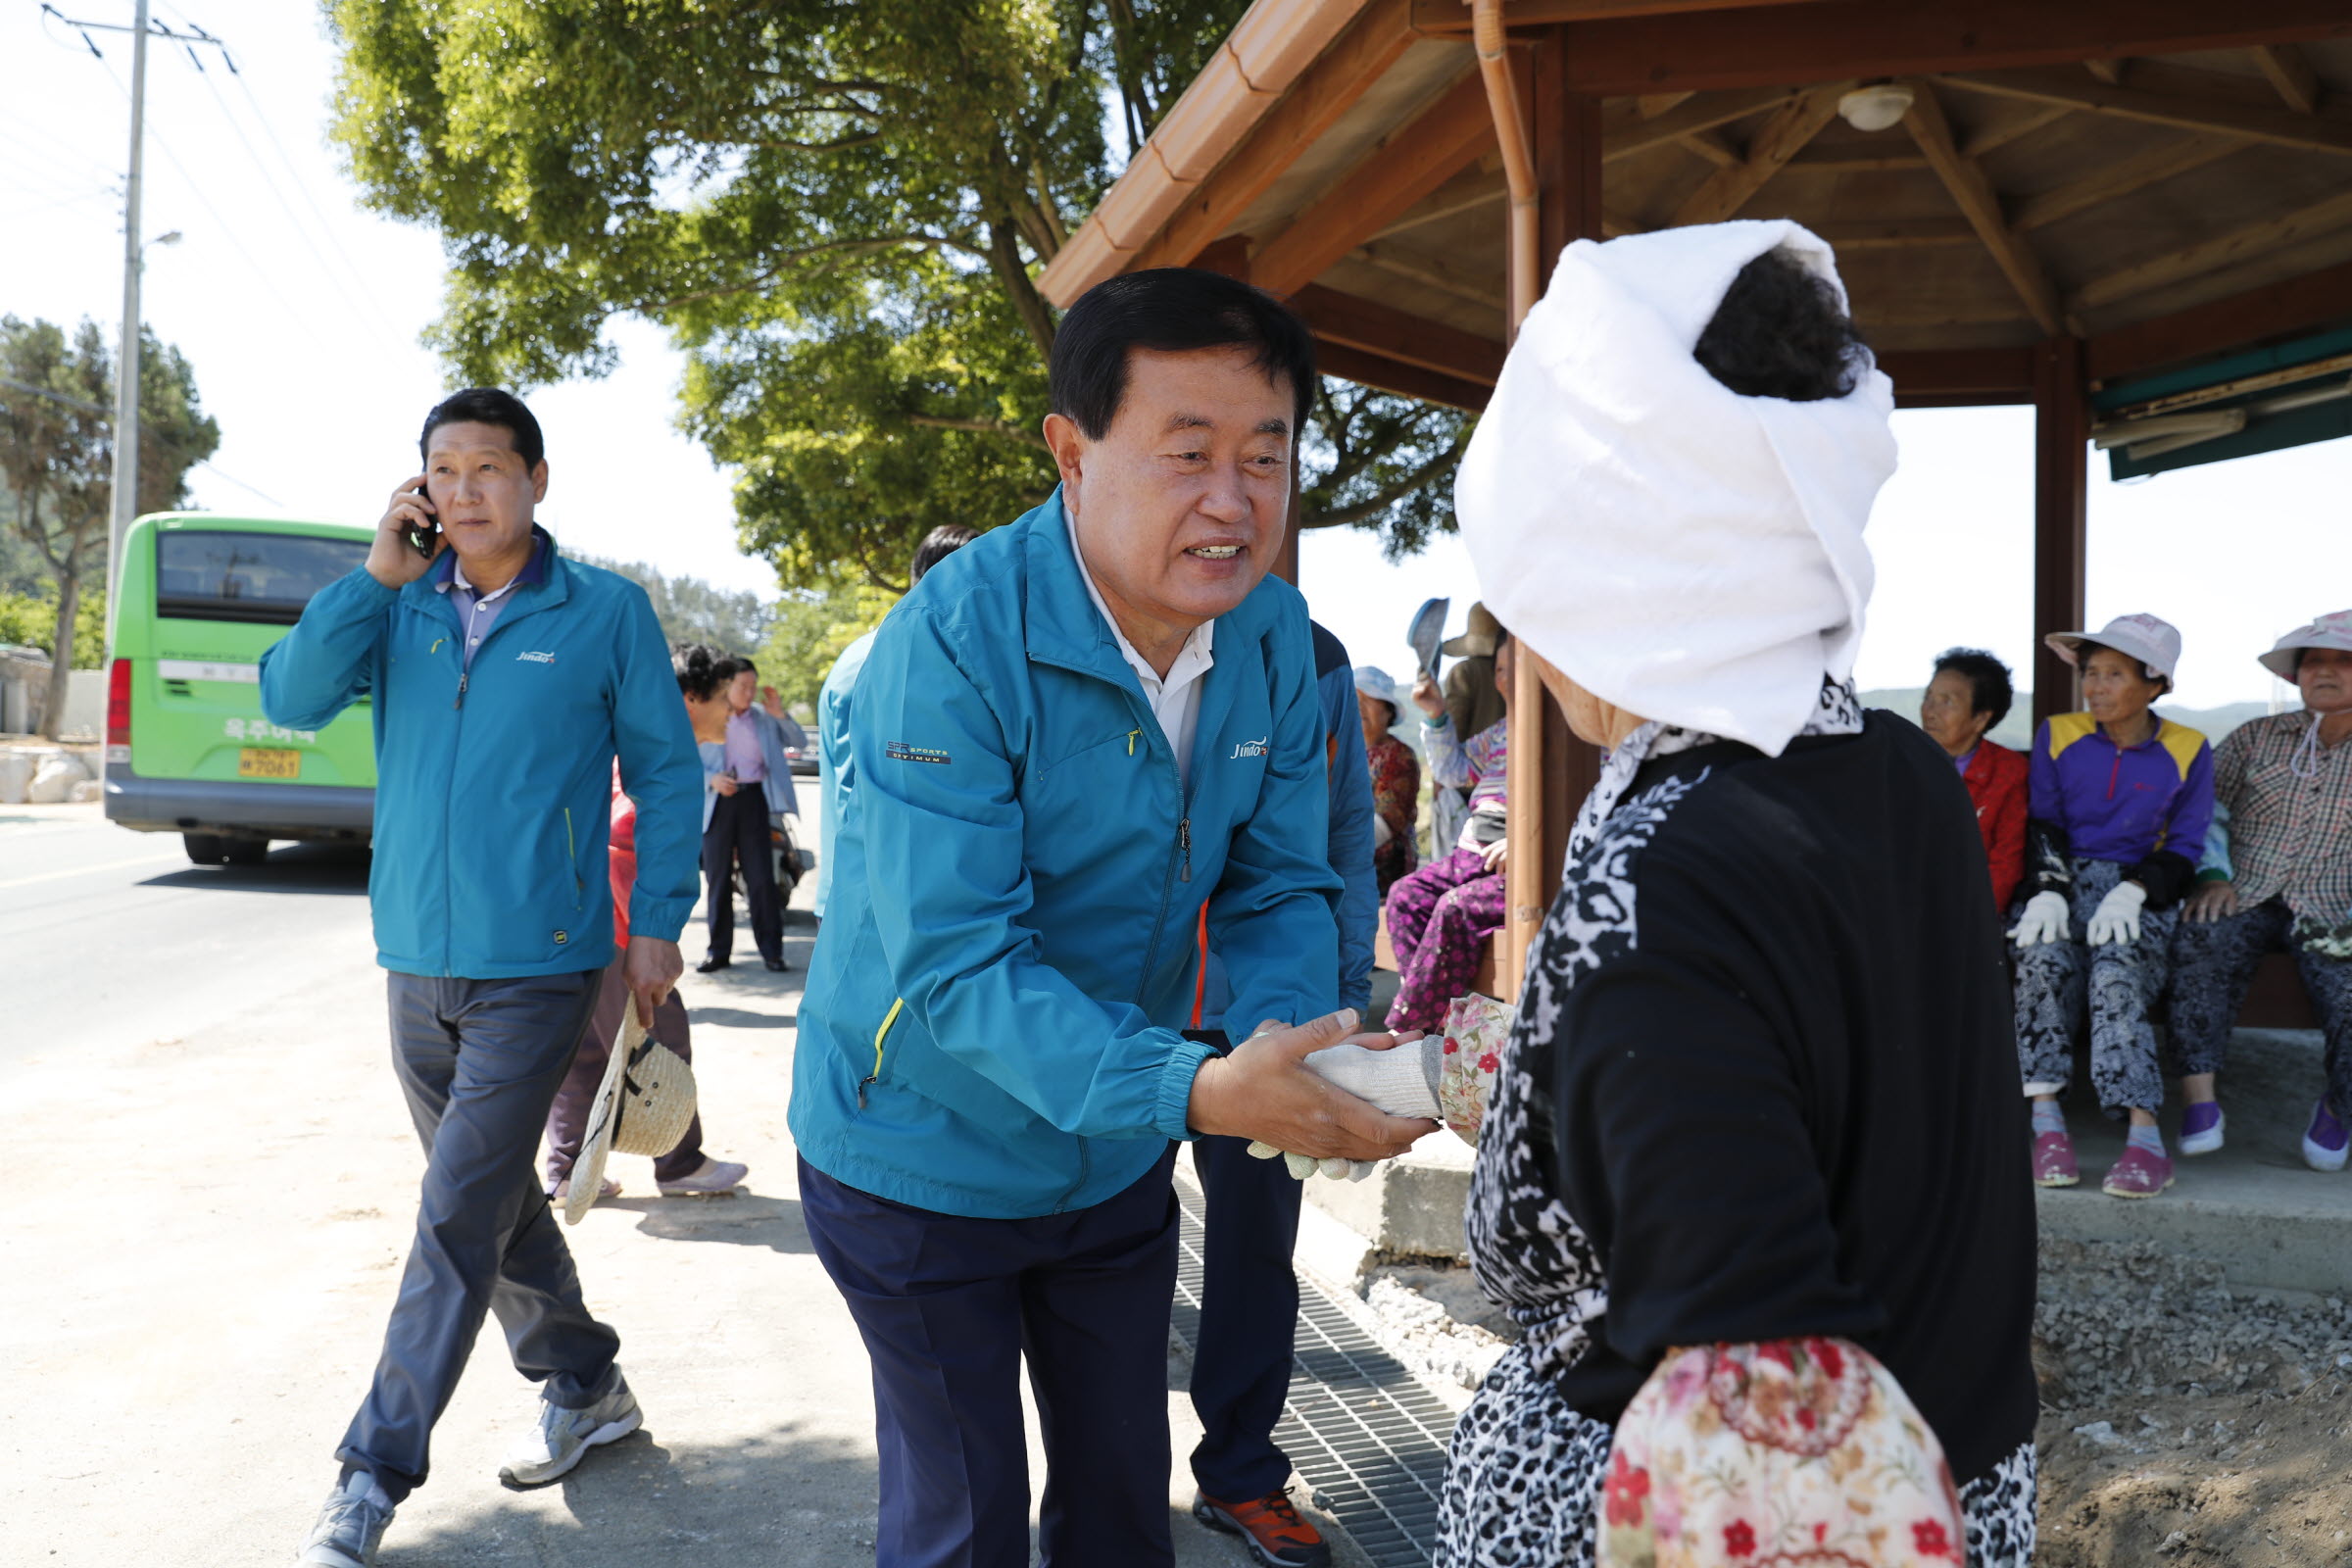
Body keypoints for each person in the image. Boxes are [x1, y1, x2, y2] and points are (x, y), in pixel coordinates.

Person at [787, 267, 1433, 1568]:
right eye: (1187, 454)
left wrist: (1288, 1047)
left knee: (1123, 1519)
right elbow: (962, 966)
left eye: (1266, 457)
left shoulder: (1270, 633)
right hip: (919, 1154)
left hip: (1113, 1156)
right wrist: (1197, 1091)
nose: (1233, 501)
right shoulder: (947, 645)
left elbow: (1279, 880)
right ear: (1072, 454)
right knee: (965, 1532)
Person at [1439, 225, 2038, 1567]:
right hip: (1958, 1472)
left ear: (1591, 570)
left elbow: (1768, 1428)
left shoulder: (1653, 884)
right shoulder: (1901, 771)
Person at [261, 388, 701, 1568]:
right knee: (493, 1202)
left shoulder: (602, 610)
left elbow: (667, 771)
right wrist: (372, 576)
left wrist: (658, 922)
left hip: (541, 962)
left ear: (537, 480)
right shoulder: (395, 605)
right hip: (414, 959)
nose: (465, 491)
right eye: (443, 470)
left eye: (489, 468)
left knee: (455, 1215)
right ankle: (589, 1383)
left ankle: (371, 1474)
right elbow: (289, 698)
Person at [1183, 618, 1376, 1568]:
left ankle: (1239, 1468)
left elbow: (1342, 834)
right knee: (1103, 1250)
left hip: (1264, 1013)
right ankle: (1100, 1481)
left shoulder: (1315, 660)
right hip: (1116, 1009)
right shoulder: (1102, 624)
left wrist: (1340, 1001)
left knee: (1255, 1250)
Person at [2013, 613, 2214, 1200]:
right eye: (2091, 672)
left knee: (2116, 975)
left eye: (2113, 674)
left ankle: (2145, 1136)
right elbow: (2043, 820)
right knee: (2040, 961)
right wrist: (2047, 887)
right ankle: (2047, 1123)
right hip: (2060, 881)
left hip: (2139, 890)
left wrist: (2136, 889)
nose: (2095, 687)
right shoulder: (2059, 733)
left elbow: (2186, 844)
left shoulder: (2189, 748)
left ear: (2155, 684)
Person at [544, 643, 752, 1203]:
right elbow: (620, 834)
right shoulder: (659, 756)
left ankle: (568, 1169)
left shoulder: (628, 741)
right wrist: (642, 935)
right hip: (615, 931)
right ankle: (679, 1163)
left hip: (576, 925)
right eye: (725, 698)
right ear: (691, 698)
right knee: (662, 1038)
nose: (733, 710)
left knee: (587, 1051)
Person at [2169, 612, 2352, 1172]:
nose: (2325, 671)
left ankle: (2338, 1106)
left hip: (2334, 905)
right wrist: (2212, 874)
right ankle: (2200, 1101)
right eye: (2313, 662)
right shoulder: (2256, 736)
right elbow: (2202, 809)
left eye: (2343, 661)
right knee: (2199, 941)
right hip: (2243, 889)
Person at [811, 523, 976, 920]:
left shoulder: (866, 653)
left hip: (861, 892)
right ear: (950, 582)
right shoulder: (892, 660)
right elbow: (863, 798)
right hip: (878, 902)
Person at [1382, 639, 1512, 1034]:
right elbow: (1454, 771)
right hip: (1469, 854)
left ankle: (1407, 1031)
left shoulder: (1576, 739)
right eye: (1500, 669)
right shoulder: (1502, 732)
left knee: (1454, 908)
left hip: (1517, 866)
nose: (1506, 678)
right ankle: (1435, 1025)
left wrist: (1526, 846)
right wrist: (1436, 714)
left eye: (1517, 668)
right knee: (1404, 896)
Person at [699, 655, 792, 972]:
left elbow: (797, 739)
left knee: (762, 878)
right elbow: (685, 758)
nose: (750, 692)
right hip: (717, 802)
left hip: (753, 799)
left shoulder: (763, 719)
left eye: (754, 686)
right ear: (727, 685)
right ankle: (718, 951)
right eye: (743, 686)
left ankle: (772, 951)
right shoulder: (709, 716)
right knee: (718, 879)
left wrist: (780, 715)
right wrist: (711, 779)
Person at [1921, 647, 2029, 912]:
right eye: (1929, 697)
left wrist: (1966, 919)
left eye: (1947, 701)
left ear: (1980, 718)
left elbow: (2006, 864)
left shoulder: (2008, 772)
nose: (1930, 711)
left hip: (1968, 912)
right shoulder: (1901, 762)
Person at [1355, 663, 1420, 893]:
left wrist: (1335, 847)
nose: (1359, 706)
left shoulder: (1399, 756)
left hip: (1381, 863)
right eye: (1354, 699)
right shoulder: (1338, 751)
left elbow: (1386, 822)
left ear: (1387, 712)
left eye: (1369, 699)